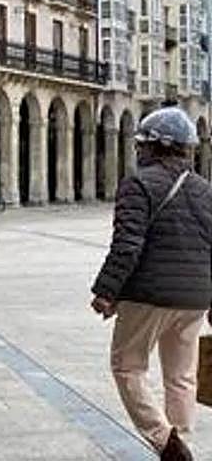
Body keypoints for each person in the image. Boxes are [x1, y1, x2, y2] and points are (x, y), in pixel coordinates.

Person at [91, 107, 212, 461]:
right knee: (182, 375)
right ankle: (180, 442)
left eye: (141, 144)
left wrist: (106, 291)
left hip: (147, 294)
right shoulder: (206, 190)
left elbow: (127, 245)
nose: (137, 151)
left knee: (127, 366)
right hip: (195, 297)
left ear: (156, 147)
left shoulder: (137, 184)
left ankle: (166, 441)